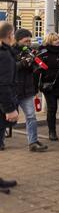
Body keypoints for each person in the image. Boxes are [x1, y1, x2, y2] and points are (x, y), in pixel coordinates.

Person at [12, 29, 47, 152]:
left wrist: (35, 63)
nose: (28, 43)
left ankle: (33, 142)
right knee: (7, 119)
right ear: (18, 40)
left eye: (29, 41)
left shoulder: (30, 51)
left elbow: (35, 70)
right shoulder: (9, 51)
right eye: (25, 41)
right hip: (13, 90)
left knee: (31, 116)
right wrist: (22, 62)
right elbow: (9, 68)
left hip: (27, 90)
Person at [0, 21, 20, 193]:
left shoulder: (6, 52)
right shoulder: (4, 56)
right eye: (13, 33)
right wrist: (9, 109)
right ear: (9, 35)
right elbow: (4, 84)